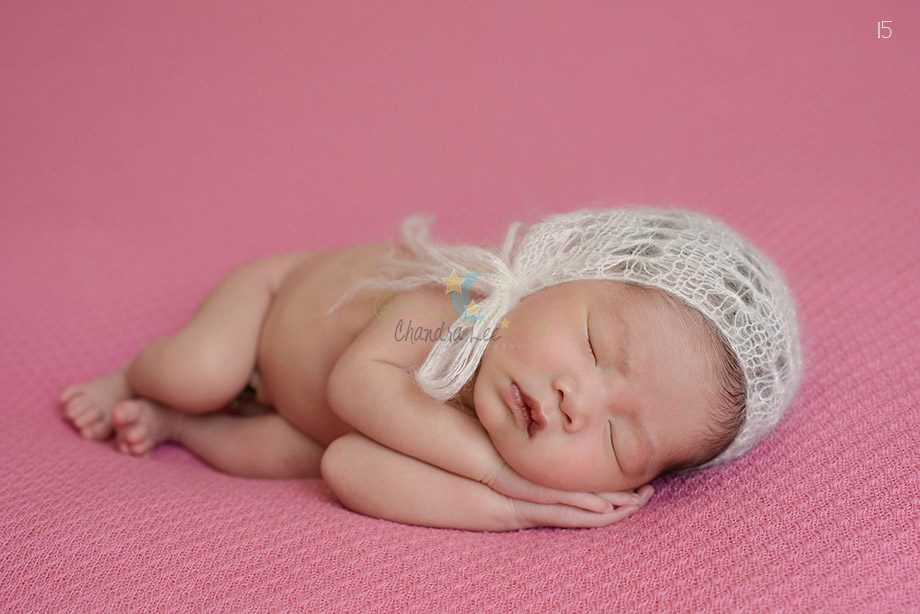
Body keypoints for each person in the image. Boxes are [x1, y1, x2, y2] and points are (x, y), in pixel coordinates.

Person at [59, 204, 804, 531]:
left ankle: (180, 427)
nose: (578, 401)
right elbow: (355, 385)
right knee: (198, 371)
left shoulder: (501, 443)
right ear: (556, 276)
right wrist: (497, 474)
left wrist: (513, 509)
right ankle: (139, 379)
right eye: (593, 344)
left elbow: (348, 463)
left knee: (293, 456)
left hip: (311, 420)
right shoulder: (455, 300)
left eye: (617, 440)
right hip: (269, 306)